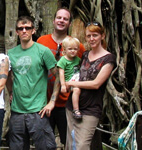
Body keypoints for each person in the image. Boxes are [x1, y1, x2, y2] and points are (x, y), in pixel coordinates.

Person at [7, 15, 60, 150]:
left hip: (37, 110)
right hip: (17, 111)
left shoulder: (42, 51)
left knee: (46, 147)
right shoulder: (11, 53)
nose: (24, 30)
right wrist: (11, 92)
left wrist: (52, 101)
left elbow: (58, 75)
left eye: (27, 28)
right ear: (17, 31)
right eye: (21, 28)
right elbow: (7, 75)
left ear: (33, 30)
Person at [36, 8, 85, 144]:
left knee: (69, 141)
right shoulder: (41, 42)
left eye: (65, 19)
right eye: (59, 18)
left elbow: (83, 70)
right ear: (53, 20)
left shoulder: (77, 46)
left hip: (68, 102)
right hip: (44, 102)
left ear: (69, 23)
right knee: (45, 142)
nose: (61, 21)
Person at [64, 22, 116, 150]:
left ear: (102, 36)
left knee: (82, 145)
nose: (92, 39)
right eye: (88, 36)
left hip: (91, 108)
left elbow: (96, 84)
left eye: (95, 35)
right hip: (73, 106)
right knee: (71, 145)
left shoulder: (109, 58)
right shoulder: (85, 55)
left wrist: (72, 83)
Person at [58, 36, 82, 119]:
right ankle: (76, 110)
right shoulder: (63, 60)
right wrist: (63, 85)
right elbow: (61, 73)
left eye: (75, 49)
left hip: (78, 78)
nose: (73, 51)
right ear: (64, 49)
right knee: (76, 90)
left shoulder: (78, 59)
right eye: (70, 49)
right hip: (70, 80)